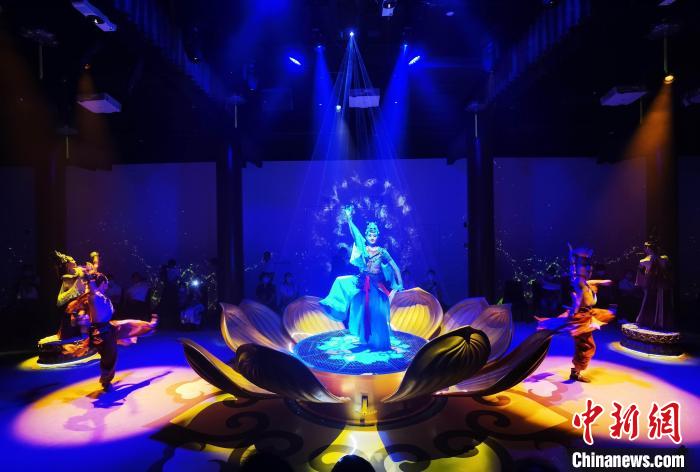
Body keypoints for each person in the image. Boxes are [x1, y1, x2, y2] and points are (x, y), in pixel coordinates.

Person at [319, 205, 403, 350]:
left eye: (374, 235)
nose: (372, 237)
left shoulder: (382, 251)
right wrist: (349, 219)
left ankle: (377, 342)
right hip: (362, 282)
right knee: (340, 282)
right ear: (367, 235)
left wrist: (400, 284)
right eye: (370, 235)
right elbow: (355, 234)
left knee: (375, 314)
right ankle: (335, 307)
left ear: (377, 236)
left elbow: (395, 267)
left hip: (375, 285)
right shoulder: (363, 248)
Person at [565, 245, 615, 383]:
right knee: (587, 347)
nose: (589, 271)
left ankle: (576, 371)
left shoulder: (587, 283)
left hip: (587, 315)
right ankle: (575, 372)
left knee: (585, 346)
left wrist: (605, 282)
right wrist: (574, 255)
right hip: (580, 318)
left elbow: (596, 281)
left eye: (590, 269)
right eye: (586, 268)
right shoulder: (579, 283)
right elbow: (574, 272)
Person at [635, 240, 673, 330]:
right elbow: (669, 270)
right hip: (660, 284)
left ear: (647, 248)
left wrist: (640, 284)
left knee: (650, 301)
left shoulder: (643, 261)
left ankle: (650, 322)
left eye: (646, 247)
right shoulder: (664, 258)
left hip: (654, 283)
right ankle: (661, 323)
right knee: (659, 301)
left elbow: (640, 275)